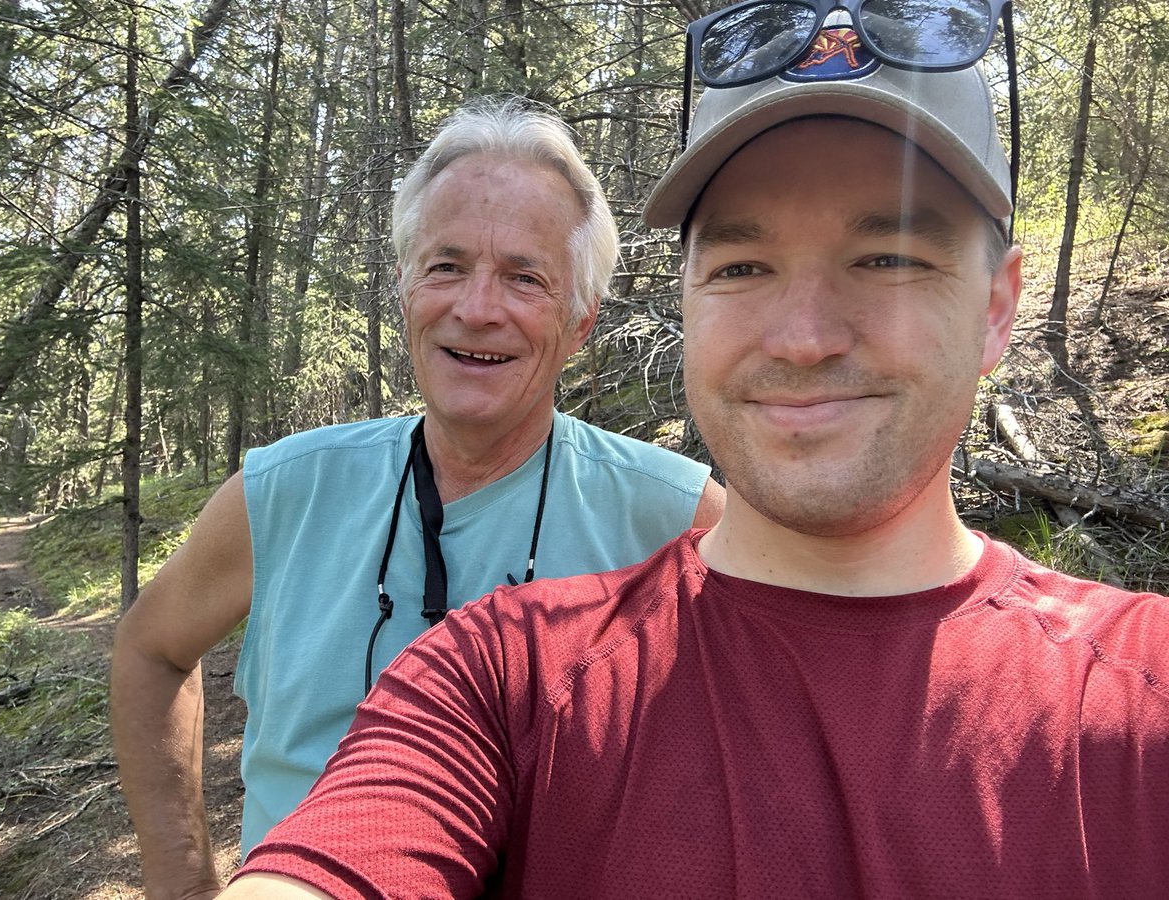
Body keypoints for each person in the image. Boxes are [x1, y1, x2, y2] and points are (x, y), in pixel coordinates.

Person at [220, 10, 1169, 900]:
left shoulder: (1140, 691)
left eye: (888, 258)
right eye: (742, 267)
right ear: (686, 302)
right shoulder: (496, 678)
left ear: (997, 306)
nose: (802, 338)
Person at [110, 96, 725, 900]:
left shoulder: (675, 518)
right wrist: (182, 880)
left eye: (525, 277)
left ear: (579, 324)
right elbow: (149, 652)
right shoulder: (281, 493)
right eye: (446, 265)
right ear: (404, 291)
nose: (477, 307)